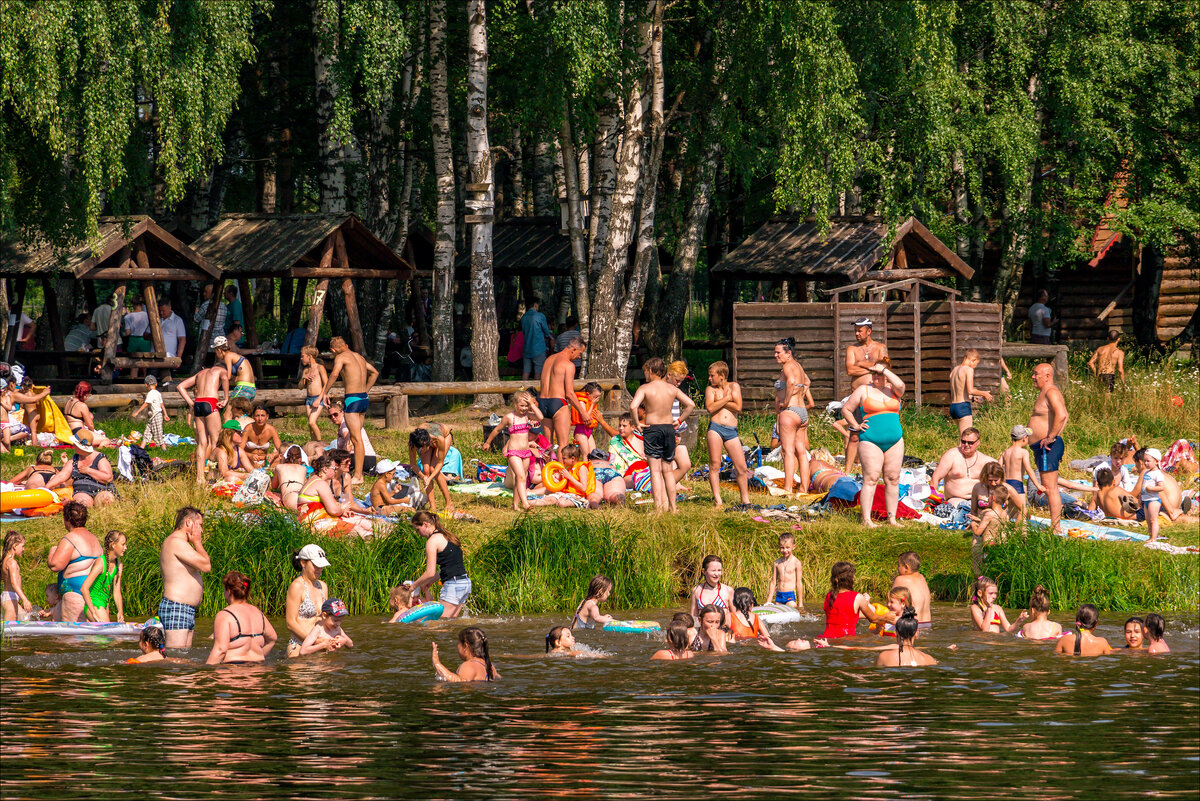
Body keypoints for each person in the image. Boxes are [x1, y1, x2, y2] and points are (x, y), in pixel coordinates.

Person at [842, 362, 906, 527]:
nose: (875, 376)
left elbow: (901, 385)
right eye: (873, 373)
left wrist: (884, 369)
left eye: (879, 374)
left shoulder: (894, 389)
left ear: (886, 374)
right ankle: (866, 519)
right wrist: (855, 426)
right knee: (871, 478)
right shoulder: (864, 390)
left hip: (895, 440)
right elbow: (846, 409)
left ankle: (892, 518)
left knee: (893, 478)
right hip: (871, 440)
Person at [630, 357, 695, 513]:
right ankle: (673, 507)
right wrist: (679, 420)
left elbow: (633, 406)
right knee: (667, 470)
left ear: (651, 371)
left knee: (655, 471)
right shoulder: (672, 389)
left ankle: (659, 508)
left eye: (645, 371)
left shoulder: (645, 388)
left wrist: (637, 424)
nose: (644, 374)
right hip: (668, 429)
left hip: (652, 429)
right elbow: (691, 405)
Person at [321, 337, 379, 484]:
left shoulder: (340, 357)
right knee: (357, 438)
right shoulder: (359, 357)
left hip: (352, 400)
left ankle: (358, 476)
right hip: (363, 399)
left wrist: (324, 392)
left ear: (333, 350)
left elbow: (334, 374)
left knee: (356, 439)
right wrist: (365, 391)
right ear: (346, 345)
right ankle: (358, 474)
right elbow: (375, 373)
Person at [158, 507, 211, 649]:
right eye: (200, 525)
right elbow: (206, 566)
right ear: (189, 522)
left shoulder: (183, 545)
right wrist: (198, 542)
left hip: (185, 608)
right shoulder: (176, 542)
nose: (201, 530)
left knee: (183, 658)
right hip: (177, 607)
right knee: (175, 658)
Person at [484, 391, 544, 511]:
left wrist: (532, 405)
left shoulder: (528, 415)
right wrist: (487, 442)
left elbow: (540, 417)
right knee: (520, 476)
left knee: (521, 479)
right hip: (514, 452)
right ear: (515, 404)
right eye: (522, 406)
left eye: (526, 406)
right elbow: (496, 430)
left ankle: (515, 505)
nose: (524, 408)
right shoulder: (509, 417)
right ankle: (525, 503)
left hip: (526, 452)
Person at [703, 361, 751, 508]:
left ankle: (745, 500)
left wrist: (720, 402)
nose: (710, 379)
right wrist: (726, 399)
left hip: (731, 431)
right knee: (715, 465)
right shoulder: (710, 389)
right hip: (715, 429)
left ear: (722, 375)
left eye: (712, 376)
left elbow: (738, 407)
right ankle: (718, 501)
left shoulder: (734, 386)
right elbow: (710, 408)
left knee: (741, 467)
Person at [1028, 362, 1069, 534]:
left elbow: (1062, 414)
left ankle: (1056, 528)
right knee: (1048, 486)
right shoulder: (1047, 392)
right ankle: (1055, 525)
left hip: (1047, 447)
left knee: (1050, 488)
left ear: (1047, 376)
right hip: (1042, 446)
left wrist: (1051, 437)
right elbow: (1064, 417)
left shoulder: (1051, 391)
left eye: (1035, 373)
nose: (1033, 377)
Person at [45, 501, 103, 623]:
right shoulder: (94, 539)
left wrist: (52, 551)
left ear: (67, 519)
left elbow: (55, 565)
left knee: (72, 639)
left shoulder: (70, 538)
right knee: (91, 638)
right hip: (94, 595)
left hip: (75, 593)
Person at [843, 317, 889, 470]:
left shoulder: (880, 347)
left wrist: (861, 363)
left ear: (868, 331)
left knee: (879, 433)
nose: (856, 333)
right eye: (855, 330)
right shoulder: (852, 349)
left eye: (859, 330)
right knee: (854, 434)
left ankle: (878, 468)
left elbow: (885, 366)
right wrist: (873, 366)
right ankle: (848, 470)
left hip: (876, 397)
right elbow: (850, 370)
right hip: (858, 397)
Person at [772, 339, 815, 496]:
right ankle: (804, 488)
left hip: (790, 411)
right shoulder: (798, 366)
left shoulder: (788, 366)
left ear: (788, 353)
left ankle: (788, 489)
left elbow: (791, 381)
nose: (775, 355)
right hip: (802, 411)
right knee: (801, 452)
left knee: (788, 451)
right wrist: (800, 393)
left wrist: (787, 400)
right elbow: (807, 382)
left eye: (778, 352)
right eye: (775, 352)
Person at [206, 571, 278, 665]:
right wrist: (259, 656)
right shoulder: (258, 613)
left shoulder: (225, 614)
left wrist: (206, 672)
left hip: (233, 670)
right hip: (257, 669)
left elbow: (220, 649)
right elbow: (273, 639)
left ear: (229, 591)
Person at [410, 511, 471, 618]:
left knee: (439, 622)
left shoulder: (432, 541)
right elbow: (447, 567)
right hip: (465, 583)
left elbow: (430, 572)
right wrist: (429, 583)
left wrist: (413, 586)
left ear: (425, 524)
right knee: (451, 622)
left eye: (417, 529)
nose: (418, 533)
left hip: (453, 585)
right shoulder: (447, 536)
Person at [295, 456, 374, 537]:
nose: (335, 471)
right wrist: (343, 508)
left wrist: (342, 511)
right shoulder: (321, 483)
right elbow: (333, 511)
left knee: (359, 520)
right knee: (359, 528)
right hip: (317, 523)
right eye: (334, 469)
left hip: (313, 521)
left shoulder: (313, 480)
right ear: (325, 469)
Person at [177, 362, 229, 484]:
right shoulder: (221, 371)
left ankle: (199, 477)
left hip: (198, 404)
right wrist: (226, 398)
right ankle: (213, 475)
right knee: (216, 440)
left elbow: (180, 386)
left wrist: (191, 403)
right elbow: (226, 378)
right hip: (210, 402)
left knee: (202, 442)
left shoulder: (200, 373)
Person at [538, 336, 588, 451]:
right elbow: (569, 393)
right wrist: (583, 412)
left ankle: (547, 469)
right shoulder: (568, 365)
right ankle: (562, 469)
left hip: (543, 402)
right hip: (558, 403)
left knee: (547, 446)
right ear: (573, 349)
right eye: (580, 353)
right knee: (563, 446)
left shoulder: (548, 359)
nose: (579, 357)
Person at [930, 426, 997, 509]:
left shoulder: (985, 461)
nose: (966, 445)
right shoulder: (952, 455)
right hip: (956, 499)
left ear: (978, 443)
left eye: (970, 443)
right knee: (960, 510)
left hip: (979, 499)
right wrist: (933, 501)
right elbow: (935, 478)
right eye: (963, 442)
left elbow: (1001, 478)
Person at [821, 561, 889, 639]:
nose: (855, 577)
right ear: (850, 578)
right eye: (853, 575)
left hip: (826, 639)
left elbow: (844, 615)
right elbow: (874, 619)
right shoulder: (858, 597)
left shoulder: (829, 596)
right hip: (847, 641)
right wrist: (888, 617)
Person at [285, 544, 331, 657]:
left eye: (321, 566)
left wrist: (334, 636)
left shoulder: (323, 586)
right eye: (315, 565)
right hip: (299, 647)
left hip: (319, 646)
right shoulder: (297, 586)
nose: (319, 569)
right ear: (303, 563)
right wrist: (315, 642)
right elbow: (290, 623)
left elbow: (325, 618)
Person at [46, 441, 117, 508]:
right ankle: (75, 506)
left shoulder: (99, 457)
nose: (73, 445)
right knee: (81, 503)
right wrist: (46, 487)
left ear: (82, 447)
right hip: (82, 491)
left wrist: (88, 470)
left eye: (75, 444)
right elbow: (62, 475)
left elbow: (108, 478)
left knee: (106, 501)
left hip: (102, 490)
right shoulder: (75, 459)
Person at [80, 529, 125, 623]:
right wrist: (93, 612)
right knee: (107, 634)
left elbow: (117, 591)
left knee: (100, 637)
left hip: (104, 604)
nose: (125, 548)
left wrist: (120, 612)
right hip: (94, 604)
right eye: (123, 544)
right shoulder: (101, 563)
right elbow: (84, 588)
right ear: (113, 545)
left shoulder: (119, 565)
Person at [408, 423, 455, 514]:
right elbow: (413, 465)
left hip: (445, 436)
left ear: (427, 444)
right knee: (426, 470)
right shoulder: (414, 442)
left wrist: (430, 478)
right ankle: (432, 506)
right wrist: (423, 477)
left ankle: (449, 503)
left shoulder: (439, 439)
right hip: (426, 440)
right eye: (419, 449)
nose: (420, 451)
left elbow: (440, 463)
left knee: (433, 470)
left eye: (422, 449)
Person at [1000, 425, 1044, 520]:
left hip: (1006, 485)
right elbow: (1029, 469)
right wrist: (1038, 486)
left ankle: (1003, 530)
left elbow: (998, 468)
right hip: (1017, 485)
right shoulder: (1023, 452)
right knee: (1022, 511)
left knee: (1010, 512)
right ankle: (1020, 532)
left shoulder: (1005, 452)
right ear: (1024, 438)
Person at [948, 349, 993, 433]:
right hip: (963, 407)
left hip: (953, 407)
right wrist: (985, 393)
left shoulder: (954, 370)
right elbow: (970, 390)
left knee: (962, 440)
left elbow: (959, 392)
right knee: (966, 441)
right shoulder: (968, 369)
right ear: (973, 360)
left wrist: (973, 399)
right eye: (976, 363)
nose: (975, 366)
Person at [968, 486, 1009, 576]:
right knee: (994, 569)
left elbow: (978, 532)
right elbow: (995, 523)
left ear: (993, 498)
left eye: (989, 497)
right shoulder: (1005, 514)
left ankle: (981, 583)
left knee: (985, 569)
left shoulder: (989, 514)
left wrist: (973, 524)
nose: (988, 499)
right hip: (999, 545)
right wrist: (979, 520)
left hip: (988, 547)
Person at [433, 627, 499, 681]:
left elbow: (460, 681)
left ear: (465, 646)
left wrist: (437, 663)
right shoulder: (490, 666)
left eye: (458, 643)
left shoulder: (468, 666)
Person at [61, 381, 111, 447]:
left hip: (68, 433)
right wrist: (94, 432)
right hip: (79, 433)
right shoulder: (82, 405)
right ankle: (99, 450)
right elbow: (90, 425)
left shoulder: (69, 401)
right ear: (85, 395)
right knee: (106, 440)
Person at [214, 335, 257, 411]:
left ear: (219, 350)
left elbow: (228, 377)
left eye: (215, 351)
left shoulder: (228, 356)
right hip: (252, 388)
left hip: (243, 388)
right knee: (241, 415)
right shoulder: (235, 355)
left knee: (228, 413)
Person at [1132, 447, 1166, 542]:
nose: (1146, 463)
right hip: (1145, 499)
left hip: (1153, 500)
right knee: (1147, 520)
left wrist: (1151, 489)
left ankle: (1154, 538)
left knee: (1153, 519)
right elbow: (1143, 486)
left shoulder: (1157, 473)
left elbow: (1161, 487)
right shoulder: (1146, 473)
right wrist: (1140, 498)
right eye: (1145, 461)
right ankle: (1150, 536)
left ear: (1156, 461)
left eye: (1148, 461)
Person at [892, 551, 932, 628]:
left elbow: (891, 602)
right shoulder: (922, 578)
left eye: (898, 566)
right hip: (927, 624)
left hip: (910, 625)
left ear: (906, 567)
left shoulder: (900, 579)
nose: (897, 568)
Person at [766, 532, 804, 609]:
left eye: (787, 547)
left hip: (790, 595)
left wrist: (800, 603)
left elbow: (799, 583)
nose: (785, 550)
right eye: (782, 548)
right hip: (779, 595)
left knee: (792, 606)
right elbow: (773, 582)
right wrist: (768, 601)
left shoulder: (796, 563)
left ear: (793, 547)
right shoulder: (777, 563)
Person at [1, 531, 32, 621]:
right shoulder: (12, 562)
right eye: (22, 546)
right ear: (15, 546)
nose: (24, 549)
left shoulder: (5, 560)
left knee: (27, 618)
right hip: (10, 599)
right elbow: (14, 584)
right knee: (10, 632)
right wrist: (25, 600)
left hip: (8, 597)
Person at [131, 375, 169, 446]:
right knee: (147, 432)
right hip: (156, 415)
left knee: (158, 435)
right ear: (156, 384)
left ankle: (164, 450)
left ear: (146, 385)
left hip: (156, 416)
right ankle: (141, 448)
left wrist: (137, 412)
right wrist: (165, 414)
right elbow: (162, 405)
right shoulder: (158, 393)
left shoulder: (150, 393)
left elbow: (146, 404)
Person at [300, 345, 328, 440]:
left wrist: (319, 399)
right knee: (310, 427)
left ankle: (320, 443)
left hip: (317, 398)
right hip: (309, 399)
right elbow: (300, 387)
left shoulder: (320, 368)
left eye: (303, 356)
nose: (301, 358)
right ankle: (313, 443)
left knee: (312, 422)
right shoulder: (306, 370)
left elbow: (326, 383)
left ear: (310, 356)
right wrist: (303, 378)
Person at [520, 297, 552, 379]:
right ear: (535, 305)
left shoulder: (524, 317)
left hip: (527, 348)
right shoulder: (540, 316)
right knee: (538, 372)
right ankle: (535, 391)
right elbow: (546, 332)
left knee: (526, 372)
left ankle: (521, 390)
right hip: (538, 348)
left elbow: (523, 332)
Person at [156, 300, 186, 384]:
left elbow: (182, 339)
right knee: (151, 377)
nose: (161, 313)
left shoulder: (177, 320)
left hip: (169, 355)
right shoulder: (156, 319)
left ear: (170, 308)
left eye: (164, 311)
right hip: (153, 355)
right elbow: (145, 335)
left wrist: (178, 357)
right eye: (160, 311)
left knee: (166, 378)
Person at [272, 445, 309, 511]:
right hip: (303, 496)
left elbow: (274, 486)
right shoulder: (303, 469)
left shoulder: (279, 467)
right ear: (300, 458)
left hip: (290, 497)